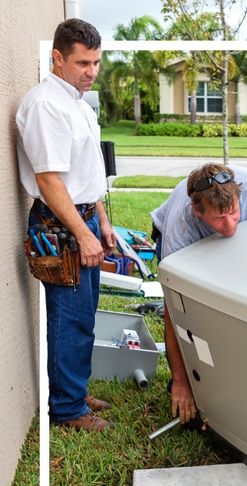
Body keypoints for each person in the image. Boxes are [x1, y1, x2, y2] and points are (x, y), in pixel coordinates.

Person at [16, 19, 116, 432]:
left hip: (83, 217)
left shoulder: (76, 101)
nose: (91, 71)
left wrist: (103, 222)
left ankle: (74, 390)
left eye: (96, 62)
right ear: (57, 58)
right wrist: (82, 231)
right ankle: (68, 410)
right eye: (82, 62)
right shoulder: (46, 105)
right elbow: (50, 181)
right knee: (68, 318)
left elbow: (85, 174)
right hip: (60, 223)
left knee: (85, 315)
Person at [150, 163, 247, 424]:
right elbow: (173, 310)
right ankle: (191, 382)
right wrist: (181, 383)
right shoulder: (181, 225)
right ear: (197, 211)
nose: (229, 225)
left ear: (240, 198)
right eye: (219, 218)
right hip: (188, 246)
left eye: (233, 213)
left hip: (246, 242)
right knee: (196, 313)